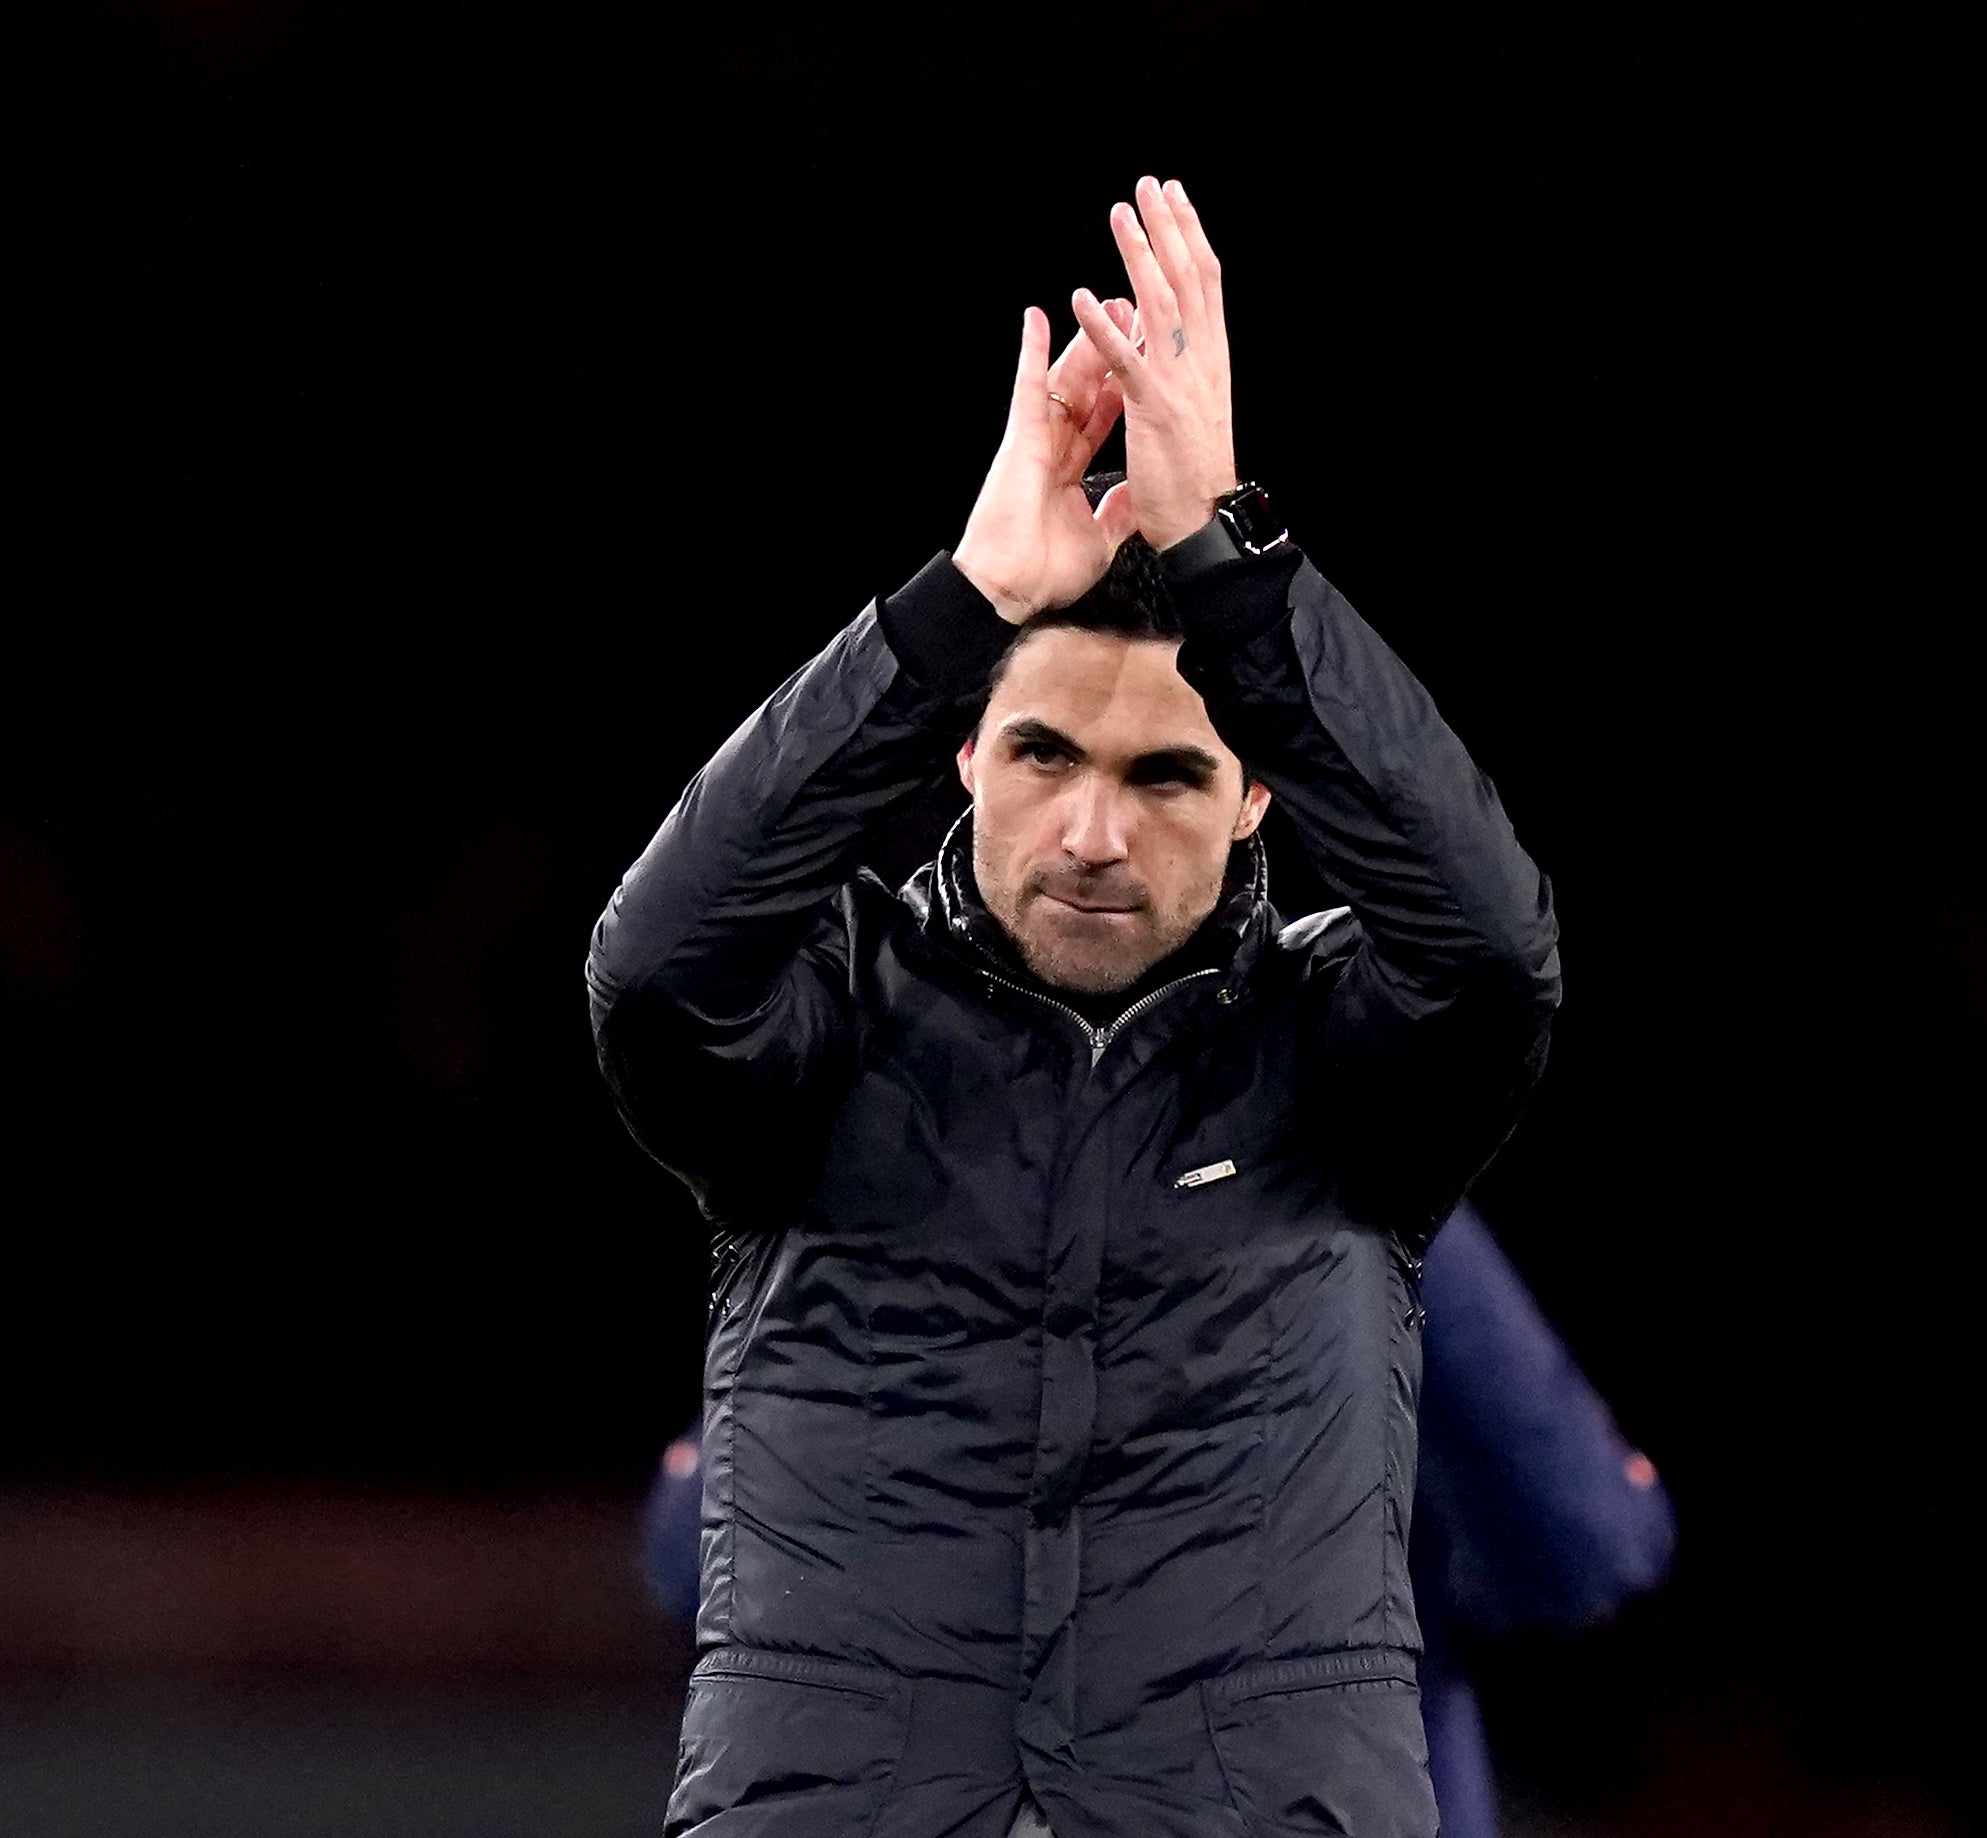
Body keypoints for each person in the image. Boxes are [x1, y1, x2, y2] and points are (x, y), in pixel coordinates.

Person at [585, 178, 1562, 1838]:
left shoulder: (1342, 1058)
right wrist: (951, 607)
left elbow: (1490, 953)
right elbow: (654, 968)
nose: (1093, 831)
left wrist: (1234, 562)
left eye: (1164, 771)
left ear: (1256, 794)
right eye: (1041, 752)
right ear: (960, 756)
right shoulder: (819, 1029)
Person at [640, 1202, 1674, 1838]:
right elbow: (1582, 1542)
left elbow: (704, 1568)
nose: (1095, 840)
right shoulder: (1361, 1162)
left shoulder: (900, 1172)